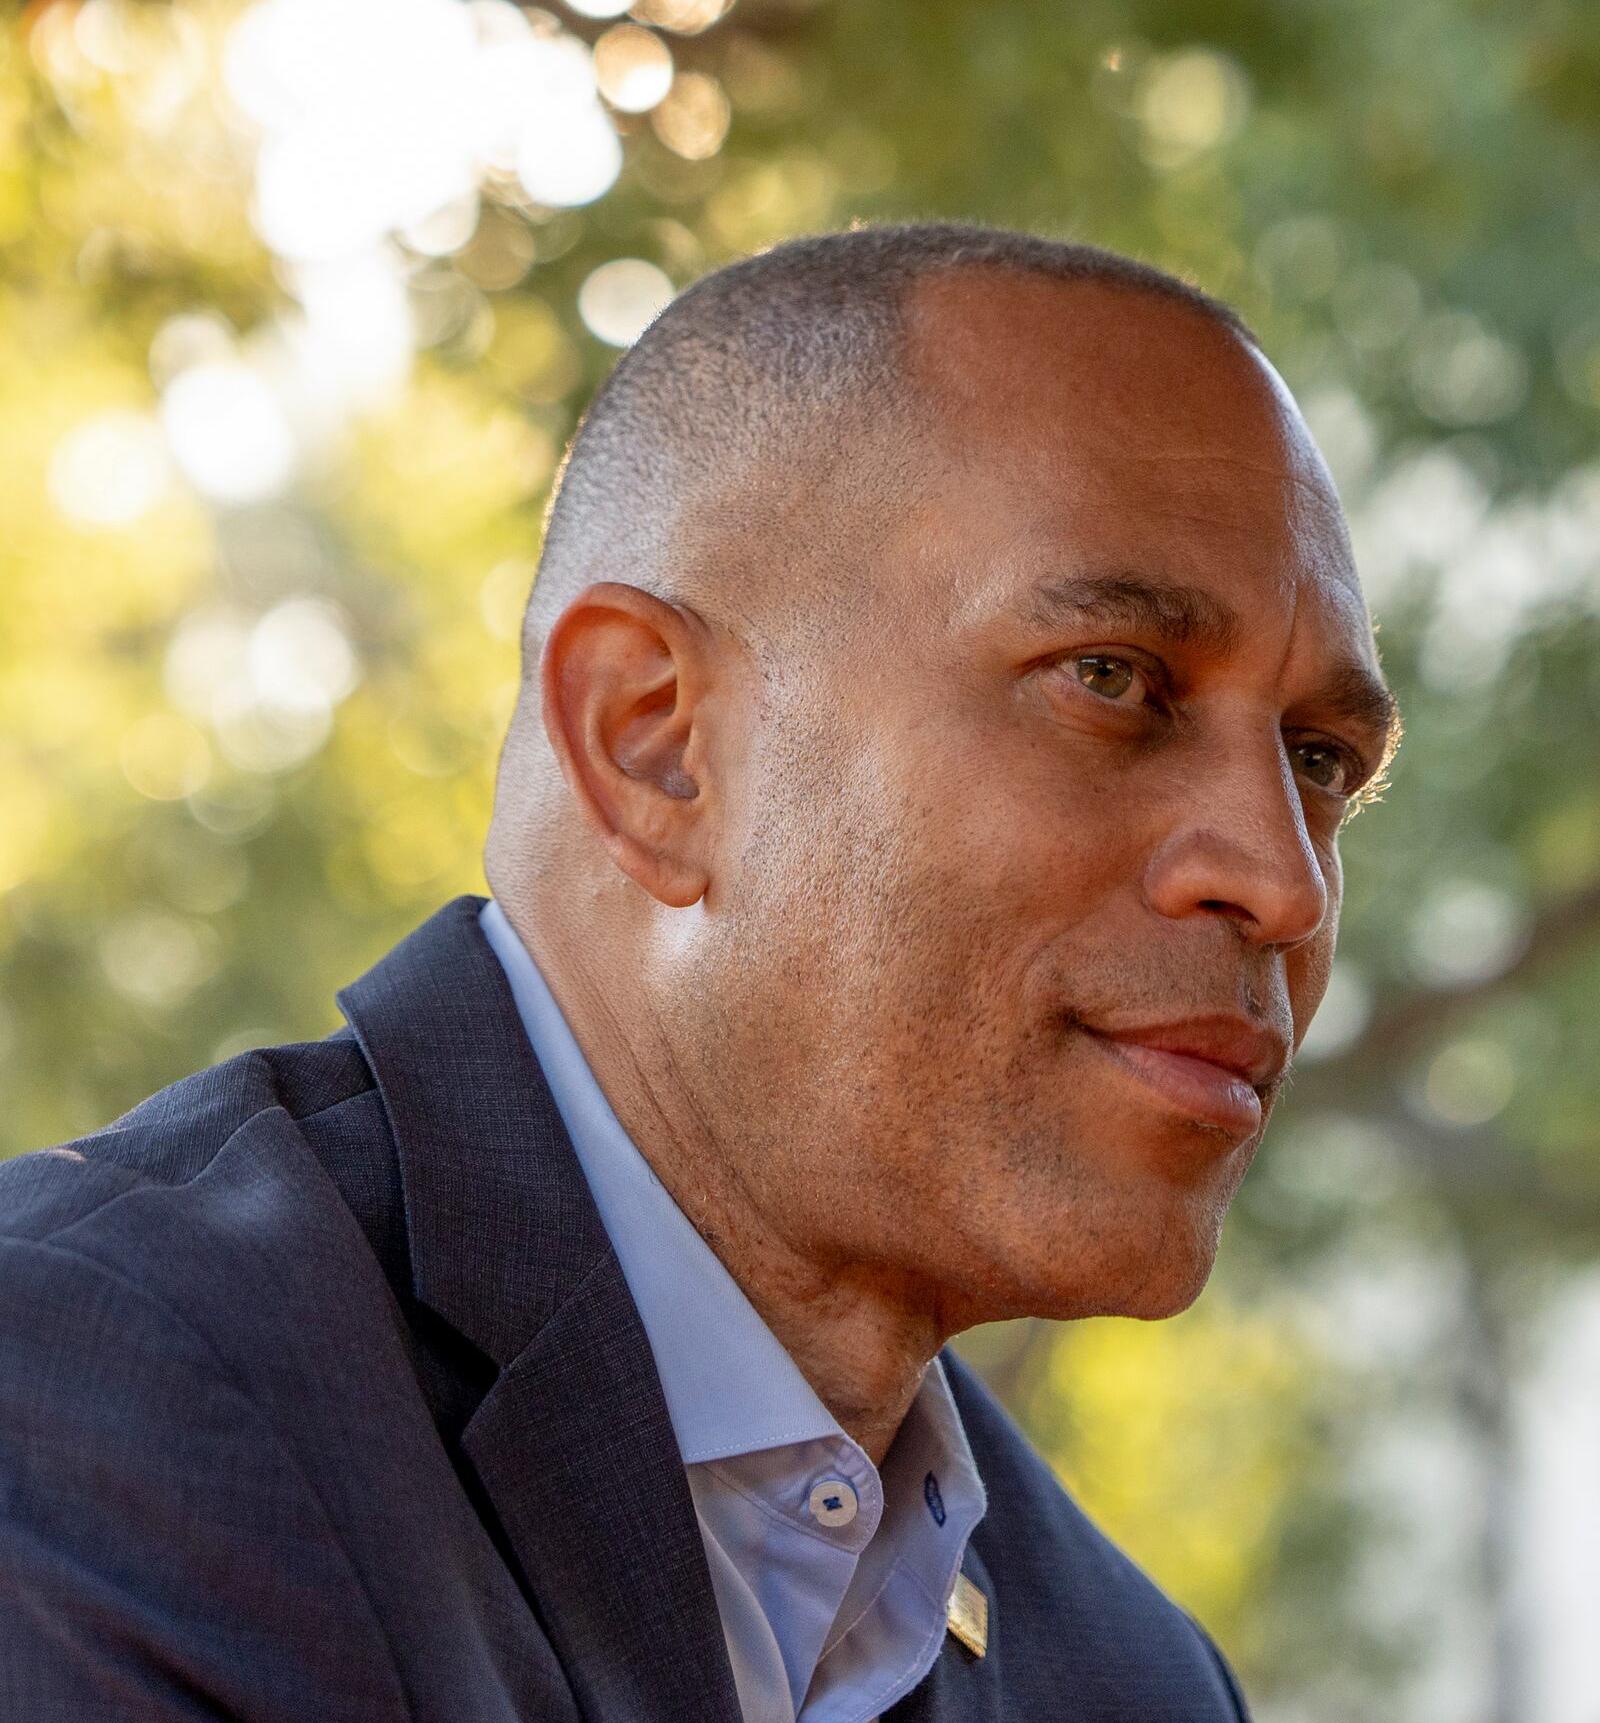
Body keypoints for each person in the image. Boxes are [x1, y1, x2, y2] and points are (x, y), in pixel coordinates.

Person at [0, 224, 1399, 1722]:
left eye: (1319, 762)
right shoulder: (90, 1402)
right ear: (653, 741)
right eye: (1113, 679)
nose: (1281, 877)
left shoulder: (1130, 1678)